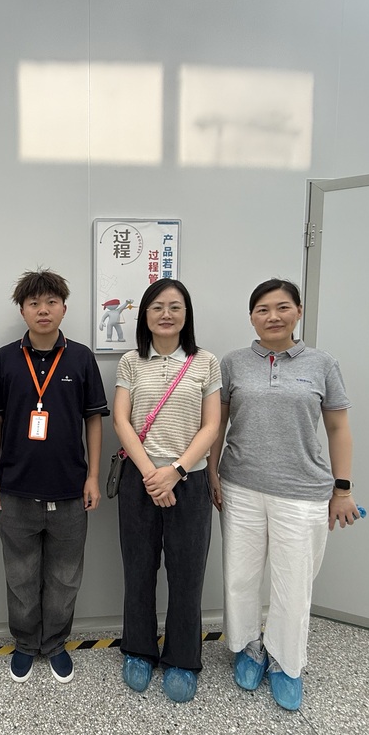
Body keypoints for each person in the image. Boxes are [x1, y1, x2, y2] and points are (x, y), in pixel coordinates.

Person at [207, 278, 360, 712]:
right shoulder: (233, 363)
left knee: (293, 583)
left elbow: (338, 428)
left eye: (282, 307)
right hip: (240, 486)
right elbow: (217, 423)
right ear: (251, 317)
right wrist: (212, 473)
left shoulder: (322, 363)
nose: (272, 317)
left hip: (302, 491)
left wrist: (343, 488)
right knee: (240, 575)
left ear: (298, 311)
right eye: (262, 310)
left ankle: (285, 662)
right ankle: (247, 646)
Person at [0, 268, 109, 685]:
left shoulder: (81, 358)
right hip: (16, 489)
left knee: (65, 577)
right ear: (22, 310)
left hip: (71, 490)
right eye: (34, 303)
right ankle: (24, 643)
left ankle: (55, 644)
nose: (43, 310)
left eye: (51, 302)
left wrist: (92, 476)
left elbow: (94, 420)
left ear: (64, 309)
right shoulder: (5, 359)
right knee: (19, 576)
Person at [112, 278, 221, 703]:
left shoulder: (205, 362)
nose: (166, 314)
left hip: (189, 481)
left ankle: (182, 659)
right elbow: (121, 421)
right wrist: (151, 474)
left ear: (186, 314)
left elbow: (211, 426)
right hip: (140, 481)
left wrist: (175, 471)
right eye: (157, 307)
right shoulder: (130, 362)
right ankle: (138, 650)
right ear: (145, 315)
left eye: (175, 307)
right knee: (138, 570)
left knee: (187, 574)